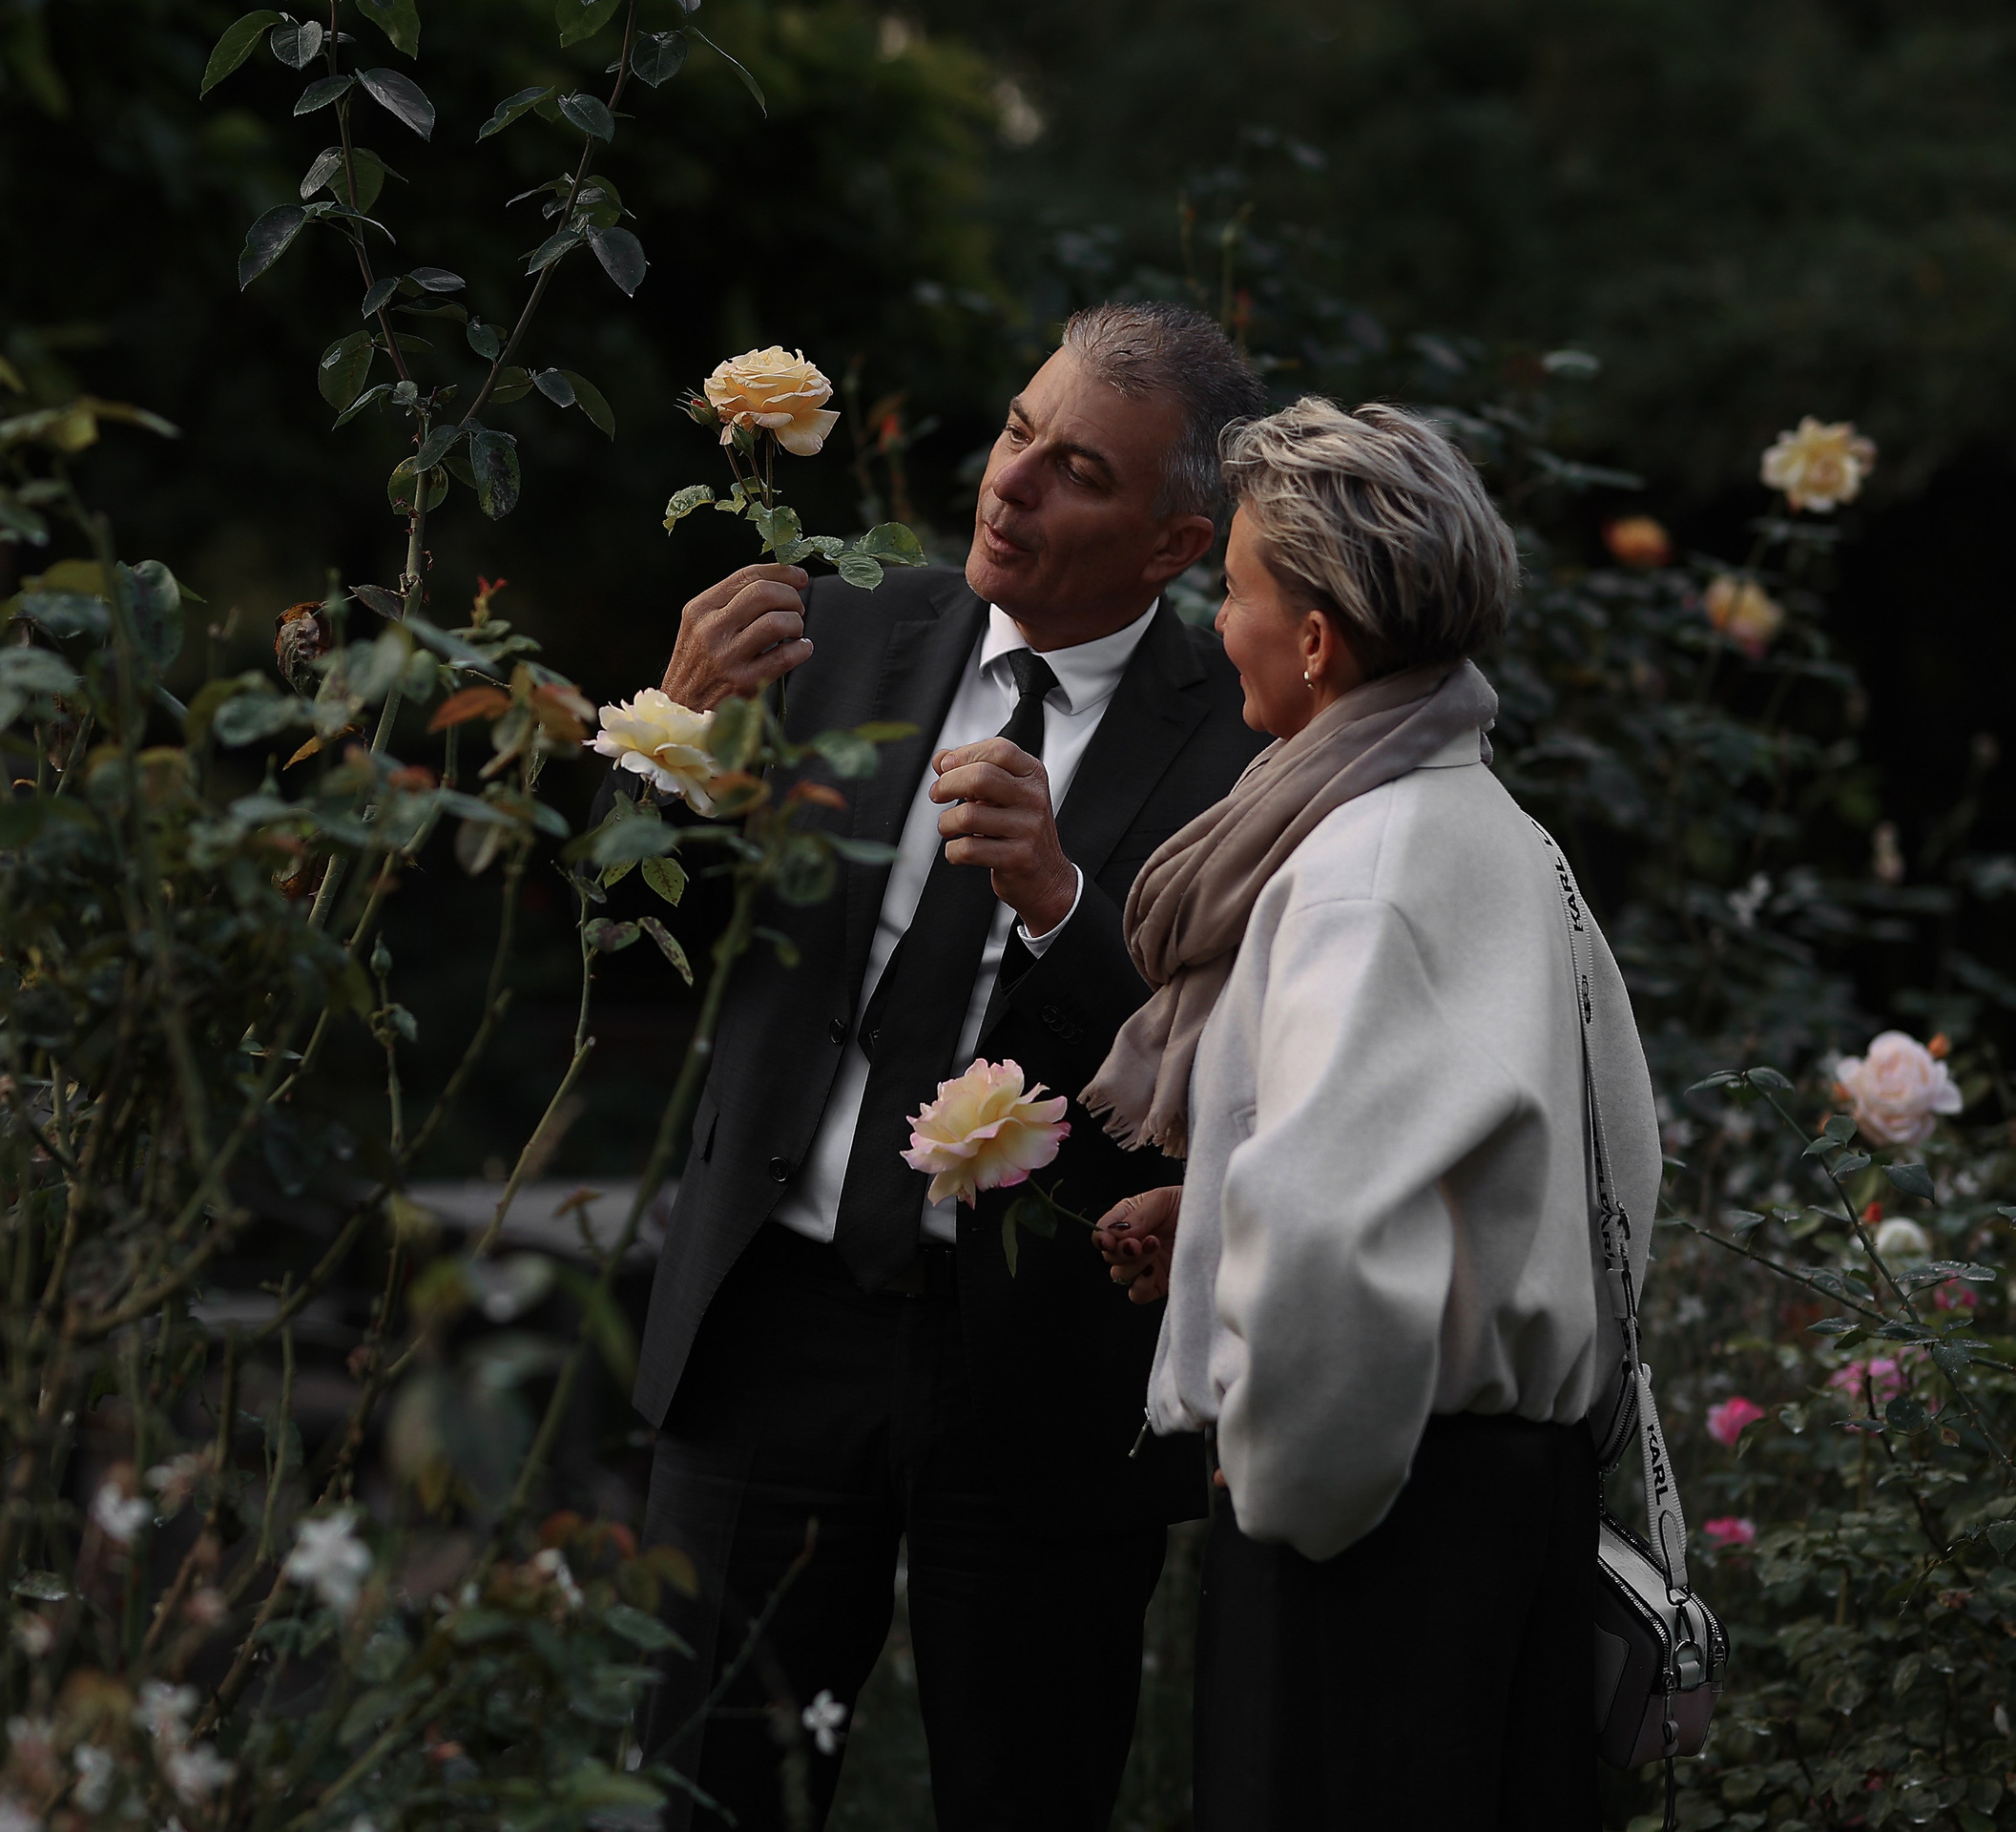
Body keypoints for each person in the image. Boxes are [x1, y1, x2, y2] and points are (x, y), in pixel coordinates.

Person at [631, 302, 1268, 1832]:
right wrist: (672, 736)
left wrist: (1062, 908)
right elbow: (631, 928)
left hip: (1040, 1364)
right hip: (771, 1318)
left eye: (1078, 475)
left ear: (1178, 547)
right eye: (1013, 433)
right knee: (697, 1793)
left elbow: (1239, 1068)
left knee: (1026, 1794)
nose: (1013, 486)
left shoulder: (1240, 748)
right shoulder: (836, 634)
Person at [1085, 397, 1663, 1830]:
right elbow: (1598, 1162)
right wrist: (1213, 1208)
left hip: (1376, 1526)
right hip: (1496, 1507)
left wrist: (1282, 1478)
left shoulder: (1365, 861)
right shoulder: (1499, 834)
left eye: (1236, 589)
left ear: (1320, 638)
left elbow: (1335, 1222)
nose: (1220, 623)